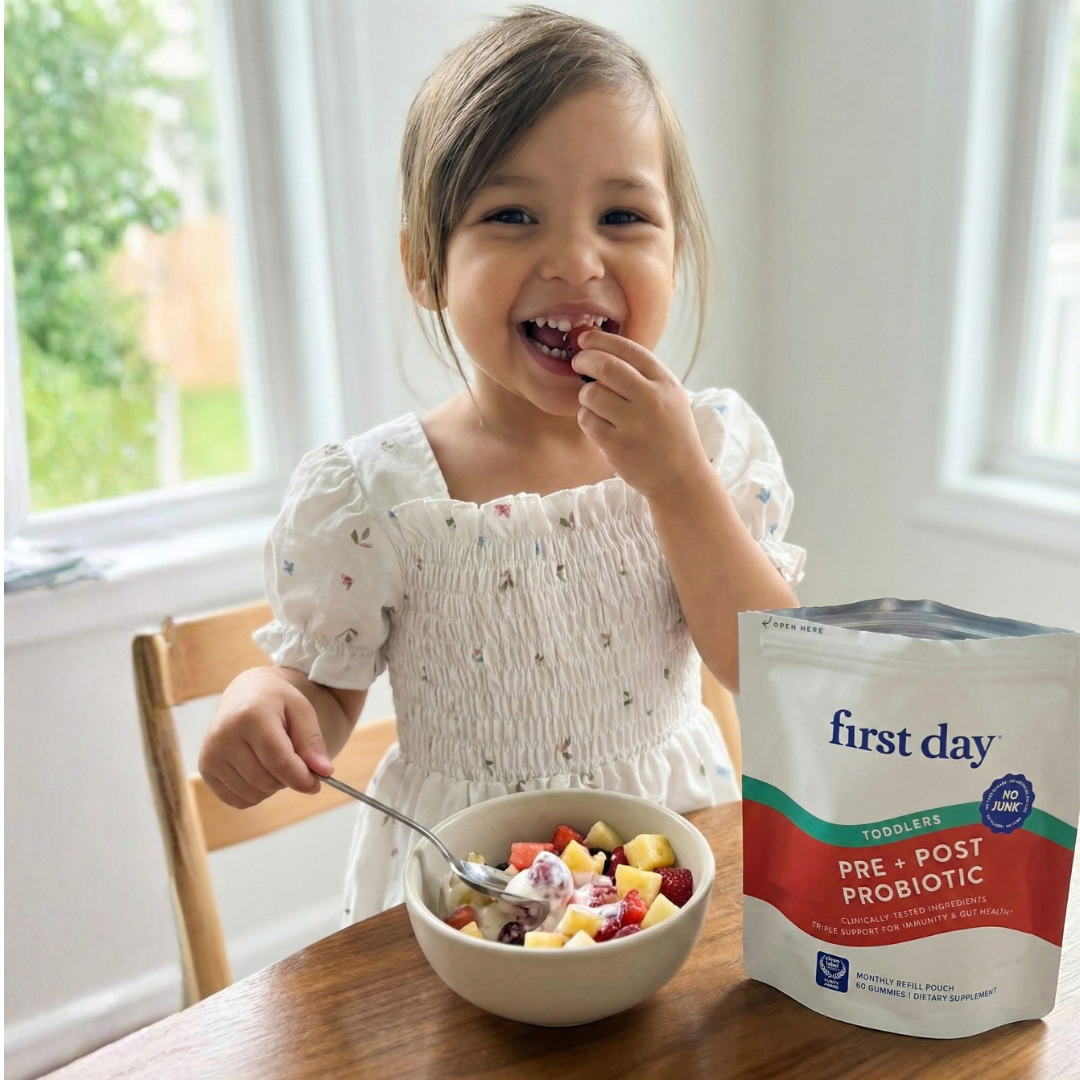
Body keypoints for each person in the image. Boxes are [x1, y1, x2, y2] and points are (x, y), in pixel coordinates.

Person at [198, 5, 806, 925]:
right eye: (511, 214)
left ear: (676, 249)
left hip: (673, 871)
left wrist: (678, 481)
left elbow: (771, 677)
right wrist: (267, 700)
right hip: (465, 893)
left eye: (624, 214)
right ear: (426, 268)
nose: (573, 257)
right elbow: (323, 695)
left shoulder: (709, 447)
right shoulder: (375, 494)